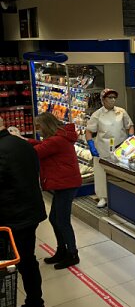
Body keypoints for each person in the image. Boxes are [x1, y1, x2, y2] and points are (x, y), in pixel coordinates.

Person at [0, 116, 47, 307]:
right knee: (28, 260)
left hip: (11, 216)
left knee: (8, 262)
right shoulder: (23, 144)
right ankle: (35, 302)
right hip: (30, 210)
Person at [25, 113, 82, 269]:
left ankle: (72, 254)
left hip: (66, 184)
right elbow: (42, 145)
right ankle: (62, 250)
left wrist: (20, 142)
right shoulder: (59, 137)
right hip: (63, 183)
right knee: (55, 218)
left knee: (62, 221)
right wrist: (25, 141)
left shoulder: (56, 140)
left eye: (39, 126)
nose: (38, 130)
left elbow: (36, 152)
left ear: (46, 125)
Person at [85, 88, 134, 208]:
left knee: (120, 172)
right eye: (109, 98)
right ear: (103, 100)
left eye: (114, 97)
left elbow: (130, 125)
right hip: (103, 147)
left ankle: (122, 195)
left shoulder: (121, 112)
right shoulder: (97, 114)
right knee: (101, 172)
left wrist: (131, 138)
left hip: (120, 147)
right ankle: (103, 197)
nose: (112, 100)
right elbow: (89, 131)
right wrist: (91, 145)